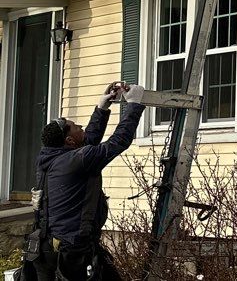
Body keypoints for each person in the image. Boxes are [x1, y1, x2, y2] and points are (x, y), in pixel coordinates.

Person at [22, 82, 146, 281]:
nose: (82, 128)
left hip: (50, 245)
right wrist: (134, 105)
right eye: (78, 127)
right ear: (69, 141)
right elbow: (118, 141)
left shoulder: (50, 157)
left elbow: (86, 143)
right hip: (73, 249)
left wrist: (102, 108)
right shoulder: (75, 160)